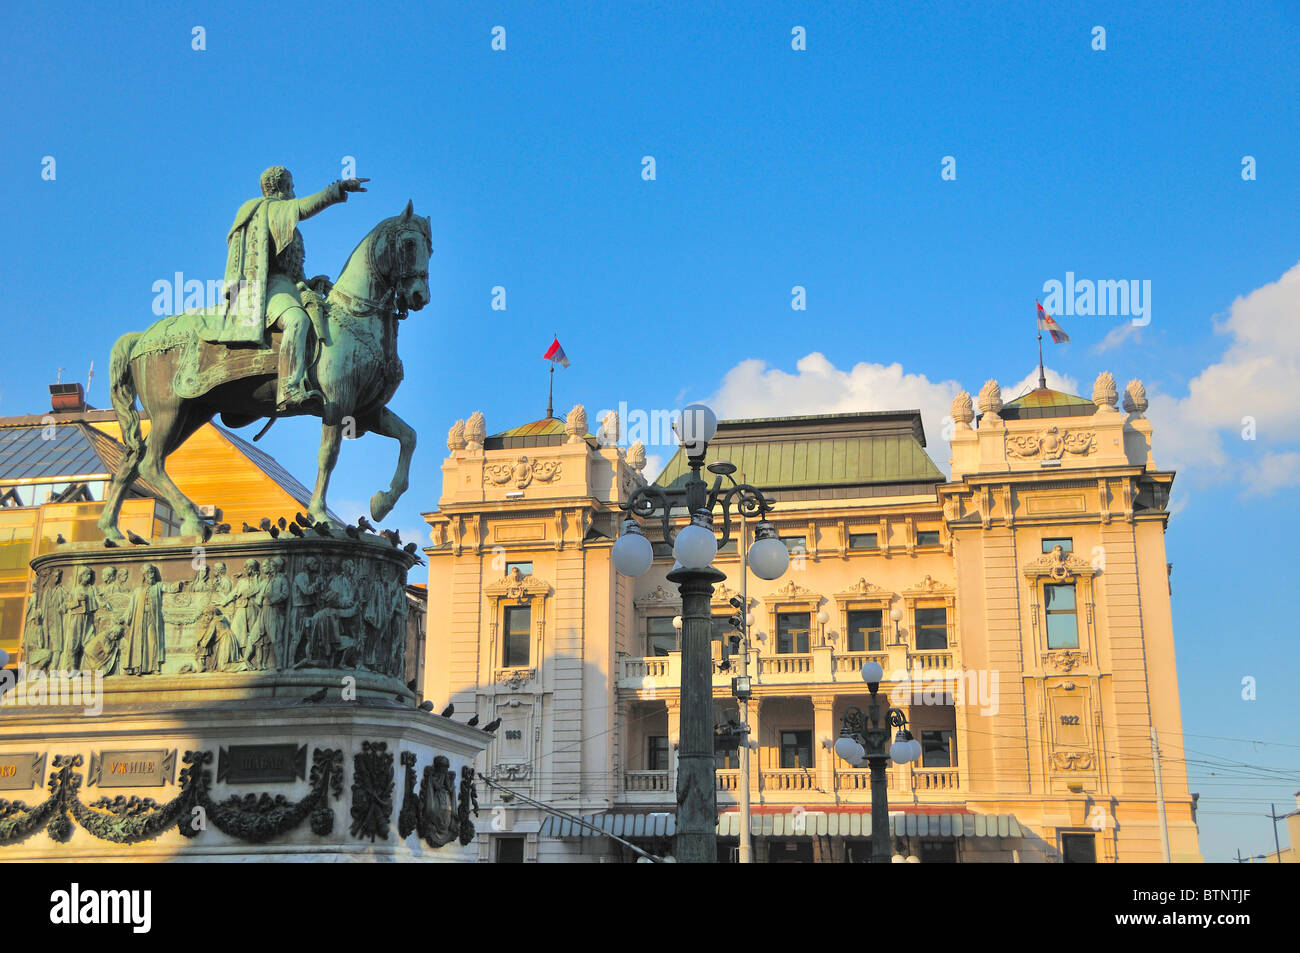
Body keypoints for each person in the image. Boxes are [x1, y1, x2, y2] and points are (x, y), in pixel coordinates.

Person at [218, 166, 370, 410]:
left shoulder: (281, 218)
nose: (294, 191)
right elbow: (305, 207)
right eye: (292, 186)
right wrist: (339, 188)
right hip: (269, 287)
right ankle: (288, 388)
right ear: (282, 187)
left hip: (289, 286)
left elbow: (290, 267)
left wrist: (309, 283)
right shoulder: (269, 208)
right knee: (297, 320)